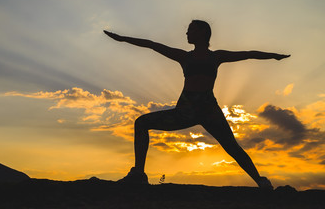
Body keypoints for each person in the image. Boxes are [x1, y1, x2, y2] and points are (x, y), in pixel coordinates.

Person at [104, 20, 290, 189]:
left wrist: (274, 56)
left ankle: (260, 181)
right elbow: (152, 45)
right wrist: (122, 39)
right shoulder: (185, 57)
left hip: (208, 110)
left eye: (190, 30)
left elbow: (248, 54)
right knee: (141, 122)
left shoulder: (216, 57)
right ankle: (138, 174)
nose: (187, 34)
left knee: (232, 146)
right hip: (186, 110)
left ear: (202, 32)